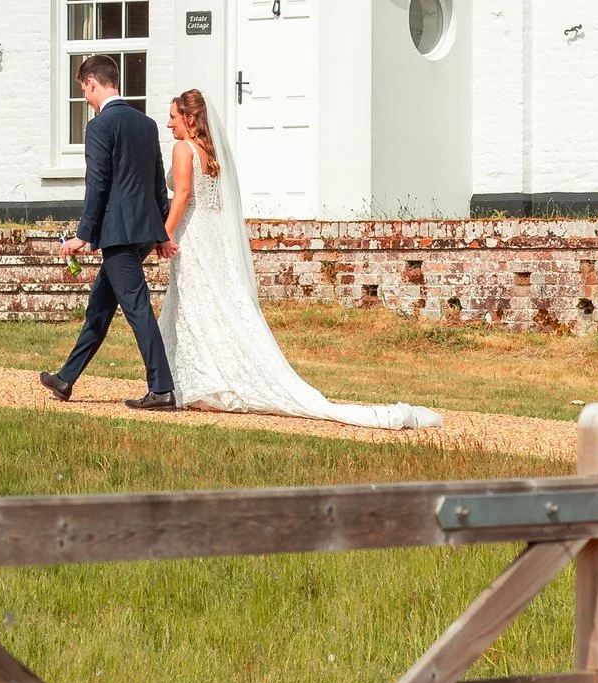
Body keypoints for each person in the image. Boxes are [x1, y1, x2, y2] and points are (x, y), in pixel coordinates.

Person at [155, 88, 439, 430]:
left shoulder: (183, 148)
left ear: (188, 118)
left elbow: (183, 193)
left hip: (195, 235)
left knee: (198, 304)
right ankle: (207, 376)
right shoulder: (210, 151)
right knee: (214, 304)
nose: (169, 124)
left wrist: (166, 232)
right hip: (213, 238)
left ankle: (206, 379)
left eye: (173, 117)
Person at [41, 54, 176, 409]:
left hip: (119, 233)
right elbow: (157, 183)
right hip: (143, 230)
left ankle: (161, 389)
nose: (85, 98)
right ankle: (66, 379)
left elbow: (97, 184)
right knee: (100, 306)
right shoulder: (145, 124)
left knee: (137, 308)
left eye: (85, 90)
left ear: (93, 84)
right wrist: (160, 231)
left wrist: (83, 235)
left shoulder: (100, 126)